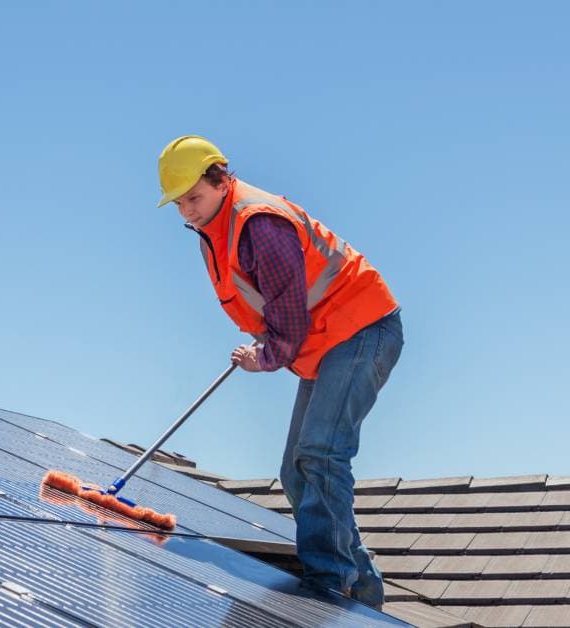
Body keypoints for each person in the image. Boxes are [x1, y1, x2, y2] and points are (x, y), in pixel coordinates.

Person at [156, 135, 404, 609]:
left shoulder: (258, 224)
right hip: (329, 340)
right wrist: (267, 340)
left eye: (194, 197)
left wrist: (264, 356)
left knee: (320, 453)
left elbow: (290, 323)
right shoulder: (218, 225)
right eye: (179, 202)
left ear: (221, 180)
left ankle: (330, 586)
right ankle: (363, 588)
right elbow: (277, 305)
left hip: (361, 329)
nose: (187, 210)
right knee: (295, 471)